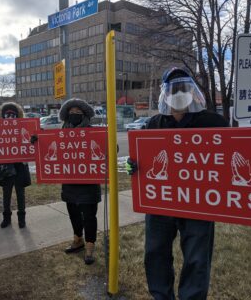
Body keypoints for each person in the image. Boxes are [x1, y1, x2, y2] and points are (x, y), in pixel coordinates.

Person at [126, 67, 228, 299]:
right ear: (165, 94)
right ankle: (161, 296)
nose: (179, 93)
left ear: (192, 92)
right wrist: (134, 164)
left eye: (183, 88)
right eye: (173, 89)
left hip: (199, 204)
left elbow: (231, 156)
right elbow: (143, 158)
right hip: (160, 203)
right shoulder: (154, 124)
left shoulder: (213, 123)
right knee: (155, 253)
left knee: (197, 257)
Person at [58, 98, 101, 265]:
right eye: (71, 112)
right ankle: (78, 239)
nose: (74, 115)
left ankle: (90, 245)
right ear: (67, 115)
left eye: (78, 113)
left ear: (84, 115)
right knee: (73, 212)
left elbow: (104, 150)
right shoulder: (62, 132)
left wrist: (111, 145)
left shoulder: (92, 131)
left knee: (89, 216)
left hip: (89, 182)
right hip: (69, 180)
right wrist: (37, 141)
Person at [0, 102, 31, 229]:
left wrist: (35, 138)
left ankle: (22, 219)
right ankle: (6, 218)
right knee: (6, 194)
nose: (10, 117)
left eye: (13, 115)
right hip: (5, 167)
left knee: (20, 194)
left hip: (20, 166)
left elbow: (32, 144)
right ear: (3, 116)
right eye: (7, 114)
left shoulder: (24, 128)